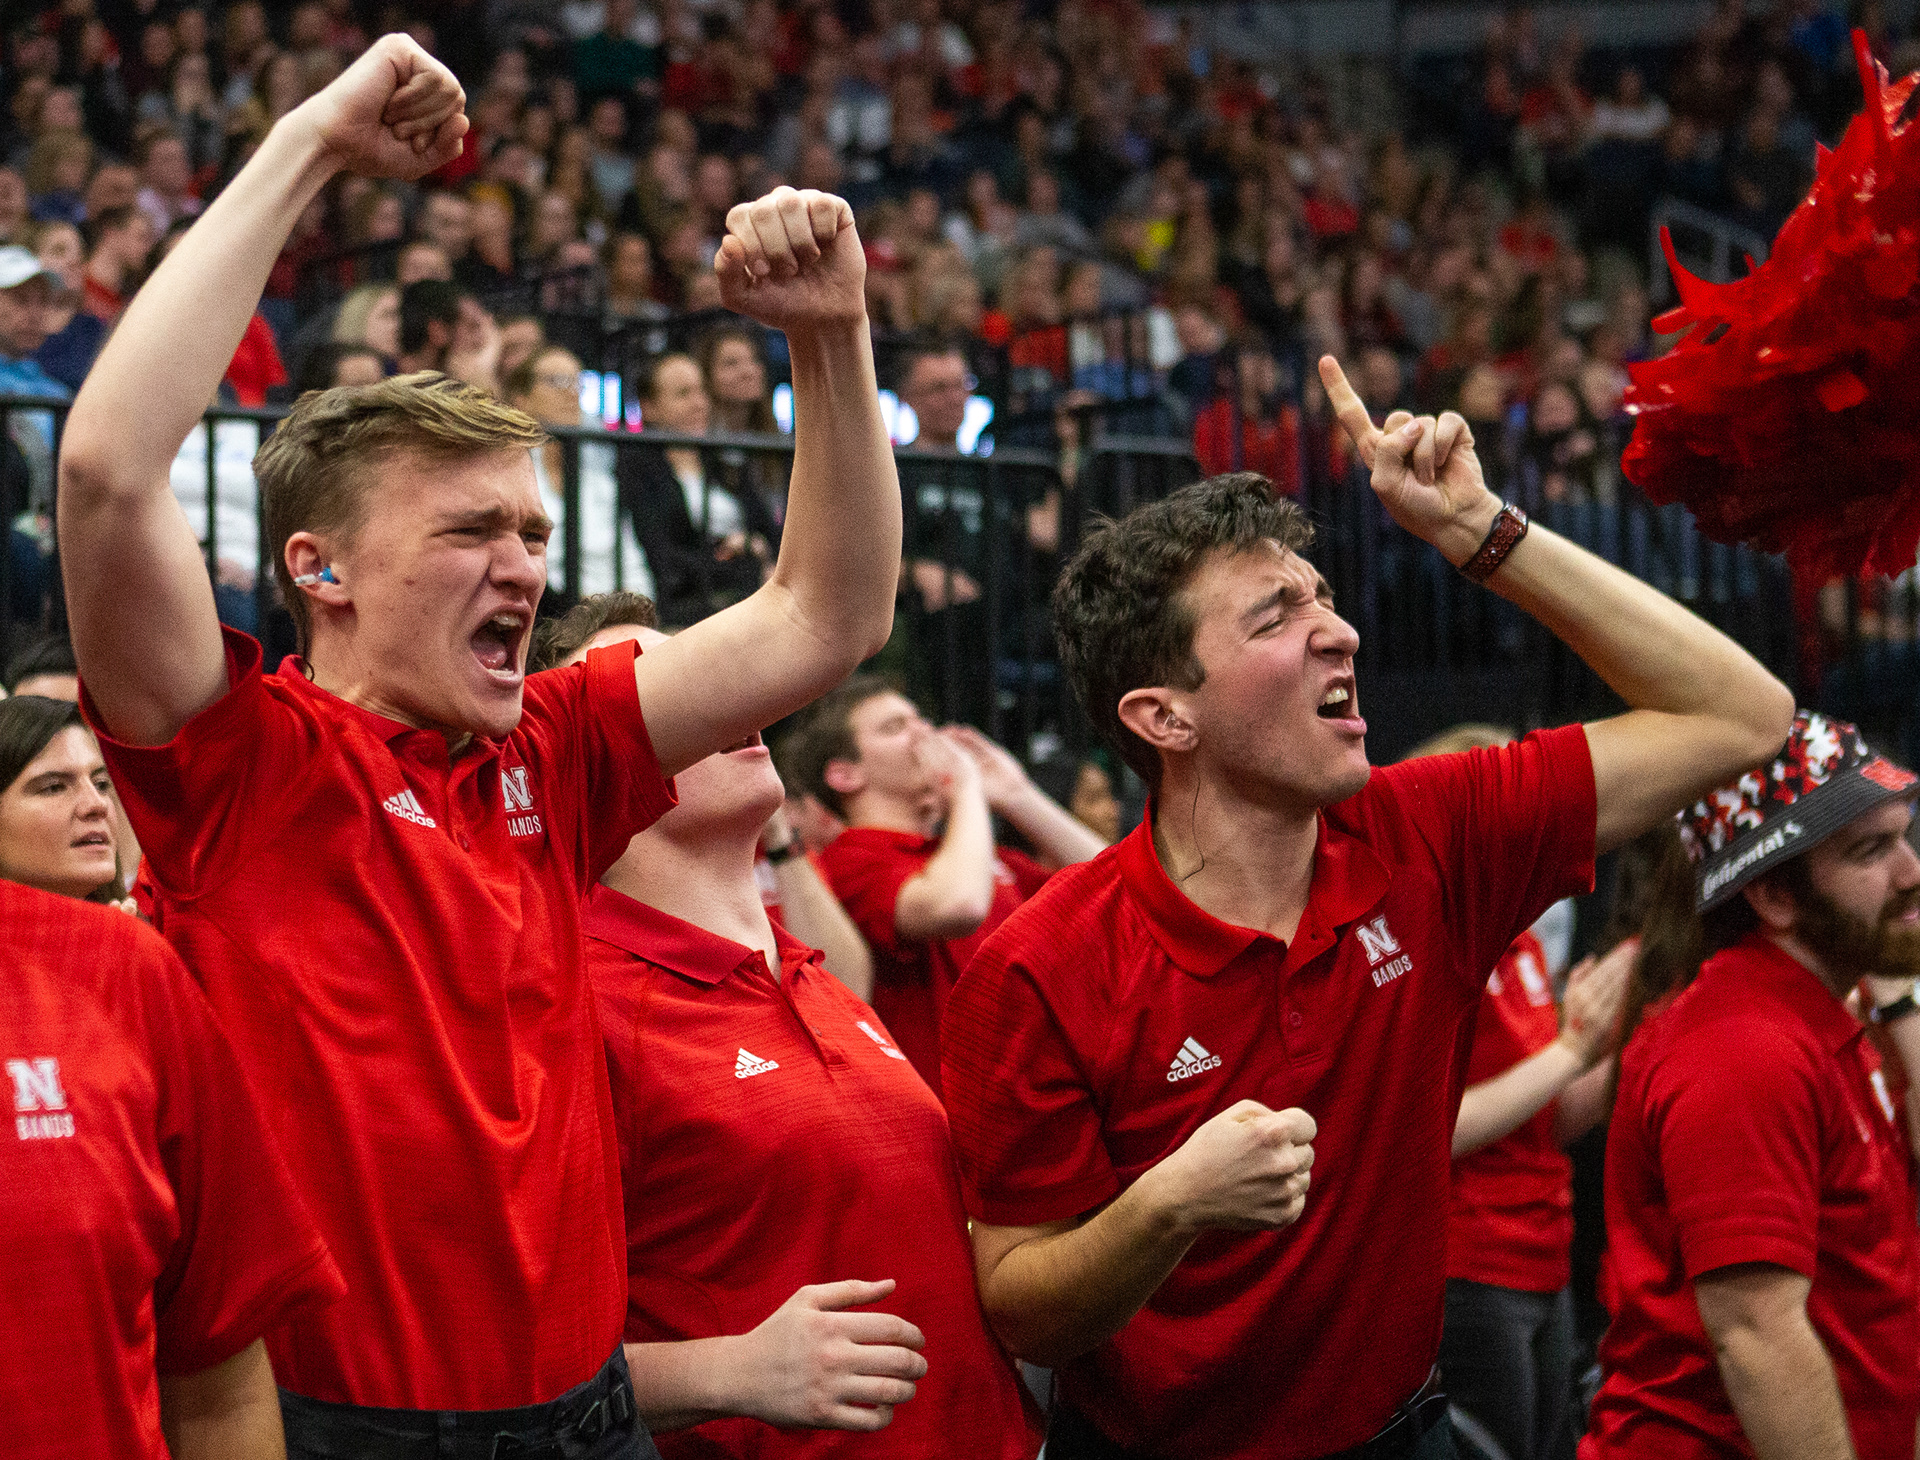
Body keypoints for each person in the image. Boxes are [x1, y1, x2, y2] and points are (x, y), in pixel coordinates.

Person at [57, 31, 901, 1460]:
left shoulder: (555, 746)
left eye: (533, 535)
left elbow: (825, 615)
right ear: (319, 569)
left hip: (586, 1418)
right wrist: (315, 140)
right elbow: (105, 470)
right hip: (342, 1431)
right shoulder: (243, 761)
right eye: (469, 533)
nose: (522, 570)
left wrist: (833, 337)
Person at [938, 357, 1795, 1460]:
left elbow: (1743, 714)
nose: (1338, 631)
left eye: (1325, 596)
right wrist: (1167, 1206)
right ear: (1165, 717)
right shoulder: (1039, 965)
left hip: (1402, 1432)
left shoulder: (1427, 832)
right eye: (1275, 615)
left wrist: (1484, 530)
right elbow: (1016, 1299)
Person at [531, 593, 1039, 1456]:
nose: (729, 694)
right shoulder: (576, 1004)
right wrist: (727, 1372)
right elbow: (507, 1366)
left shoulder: (809, 971)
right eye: (664, 690)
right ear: (595, 769)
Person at [1584, 712, 1920, 1460]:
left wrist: (1897, 998)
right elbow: (1758, 1340)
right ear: (1773, 897)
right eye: (1871, 850)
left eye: (1906, 834)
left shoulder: (1825, 1011)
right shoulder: (1743, 1049)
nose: (1911, 872)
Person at [1, 853, 345, 1457]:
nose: (91, 805)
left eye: (97, 783)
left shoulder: (118, 969)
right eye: (52, 786)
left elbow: (220, 1375)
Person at [1416, 722, 1634, 1460]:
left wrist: (1633, 1038)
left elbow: (1548, 1117)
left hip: (1545, 1250)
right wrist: (1574, 1046)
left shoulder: (1524, 937)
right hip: (1471, 1265)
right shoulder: (1429, 944)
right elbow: (1432, 1129)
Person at [785, 676, 1107, 1096]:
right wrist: (967, 788)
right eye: (896, 727)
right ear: (844, 775)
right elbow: (957, 905)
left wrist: (1016, 794)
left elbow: (1111, 880)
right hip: (954, 1124)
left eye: (922, 719)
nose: (926, 733)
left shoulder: (961, 850)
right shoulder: (849, 859)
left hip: (1033, 1101)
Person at [628, 350, 780, 627]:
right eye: (683, 394)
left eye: (701, 392)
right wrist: (739, 561)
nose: (699, 403)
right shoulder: (638, 469)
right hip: (691, 606)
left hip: (747, 593)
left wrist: (753, 548)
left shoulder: (723, 462)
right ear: (649, 407)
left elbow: (770, 532)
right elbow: (664, 559)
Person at [506, 343, 654, 601]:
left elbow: (633, 564)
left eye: (577, 383)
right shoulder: (509, 480)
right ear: (521, 399)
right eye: (558, 381)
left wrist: (637, 610)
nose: (571, 394)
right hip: (544, 614)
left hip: (614, 614)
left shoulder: (602, 483)